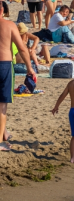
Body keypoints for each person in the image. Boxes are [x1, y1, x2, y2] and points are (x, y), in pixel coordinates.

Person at [0, 18, 34, 151]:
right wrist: (29, 68)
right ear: (2, 11)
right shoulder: (8, 25)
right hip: (4, 64)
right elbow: (22, 48)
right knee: (2, 105)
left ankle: (4, 134)